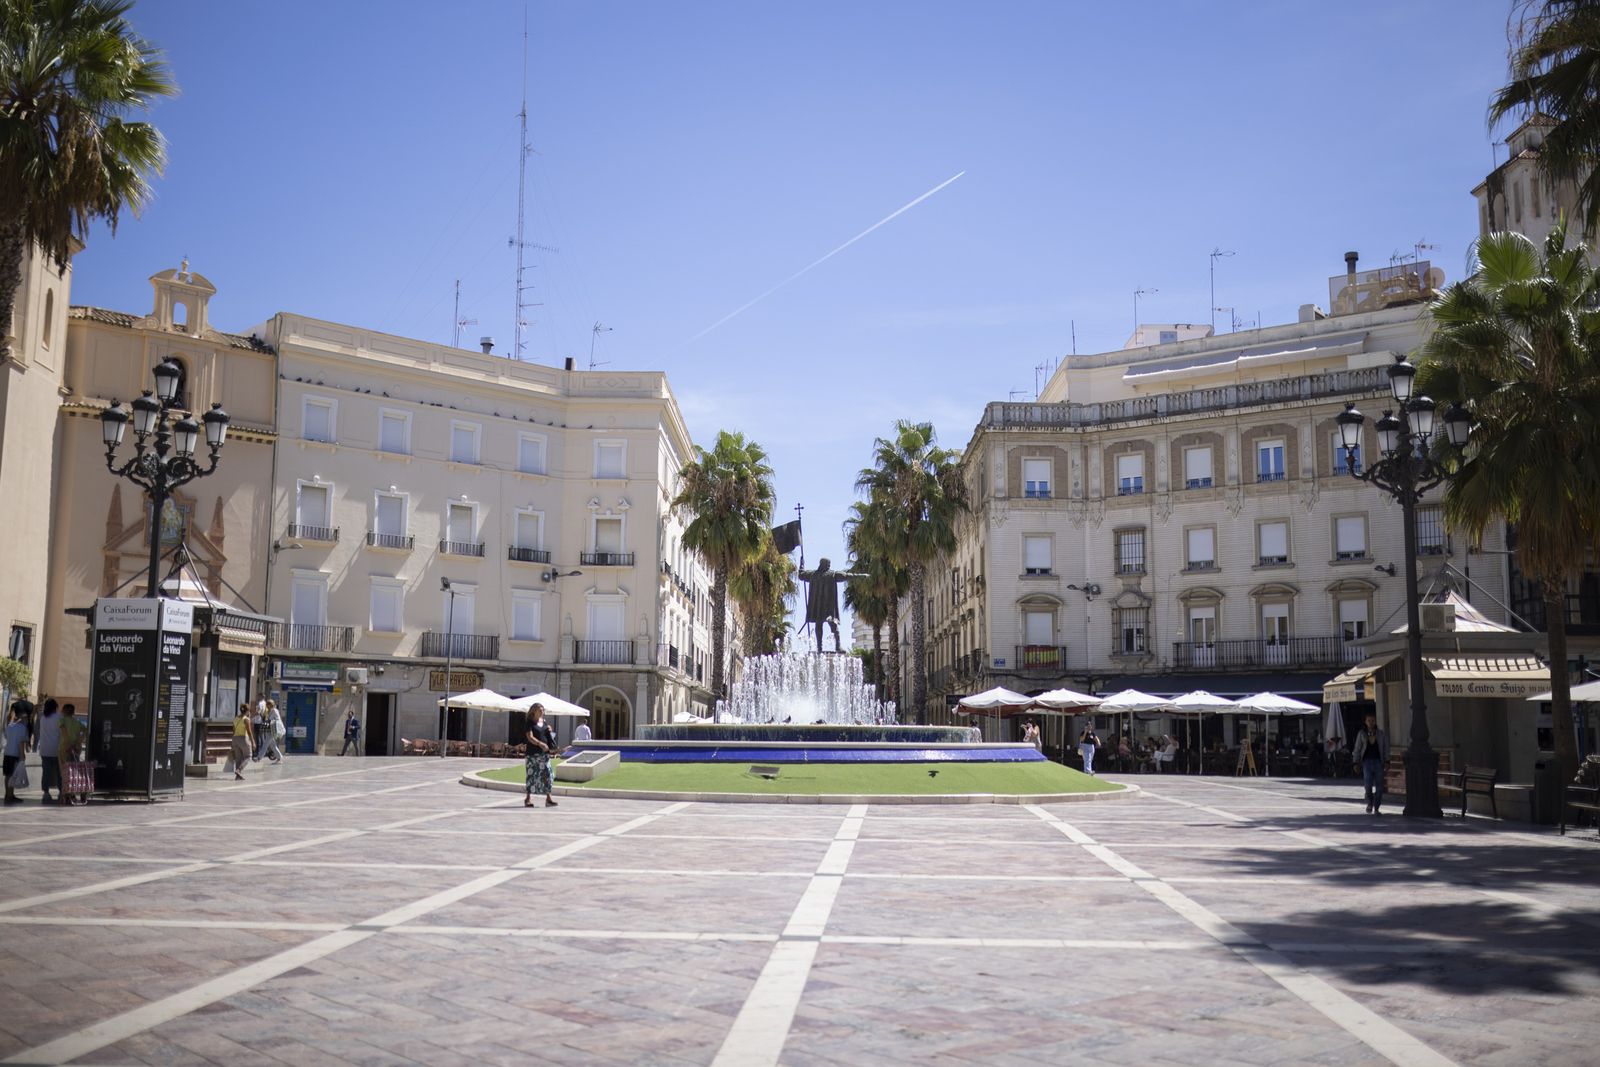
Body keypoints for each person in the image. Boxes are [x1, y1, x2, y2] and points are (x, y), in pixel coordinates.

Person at [1350, 712, 1390, 815]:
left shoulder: (1380, 734)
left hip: (1378, 762)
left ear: (1375, 721)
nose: (1371, 722)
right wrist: (1355, 762)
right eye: (1368, 721)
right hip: (1366, 763)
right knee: (1368, 786)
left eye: (1372, 720)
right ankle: (1370, 803)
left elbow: (1385, 748)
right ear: (1365, 722)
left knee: (1380, 787)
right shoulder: (1362, 733)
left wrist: (1387, 761)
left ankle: (1376, 807)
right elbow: (1357, 748)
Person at [524, 703, 558, 808]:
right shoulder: (529, 723)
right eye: (540, 710)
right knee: (531, 775)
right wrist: (540, 744)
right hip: (532, 754)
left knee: (548, 774)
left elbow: (546, 734)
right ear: (534, 711)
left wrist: (549, 730)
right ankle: (528, 798)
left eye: (543, 710)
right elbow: (530, 737)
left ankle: (548, 798)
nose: (542, 712)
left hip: (544, 753)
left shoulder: (544, 722)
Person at [35, 699, 62, 804]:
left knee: (46, 772)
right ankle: (61, 792)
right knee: (59, 772)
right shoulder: (59, 717)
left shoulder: (43, 718)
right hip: (57, 749)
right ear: (55, 707)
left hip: (44, 750)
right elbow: (61, 733)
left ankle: (46, 792)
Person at [4, 701, 31, 804]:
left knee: (8, 775)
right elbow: (21, 743)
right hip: (16, 754)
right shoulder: (23, 728)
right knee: (13, 776)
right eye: (26, 718)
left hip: (7, 753)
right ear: (22, 718)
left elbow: (7, 738)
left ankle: (8, 794)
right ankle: (10, 796)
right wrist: (22, 756)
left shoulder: (9, 726)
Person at [230, 704, 253, 781]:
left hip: (235, 739)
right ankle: (239, 770)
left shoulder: (236, 718)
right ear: (247, 711)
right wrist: (253, 742)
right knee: (248, 756)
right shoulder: (246, 719)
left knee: (238, 758)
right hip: (243, 739)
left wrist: (232, 742)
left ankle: (238, 776)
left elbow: (233, 730)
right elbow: (249, 732)